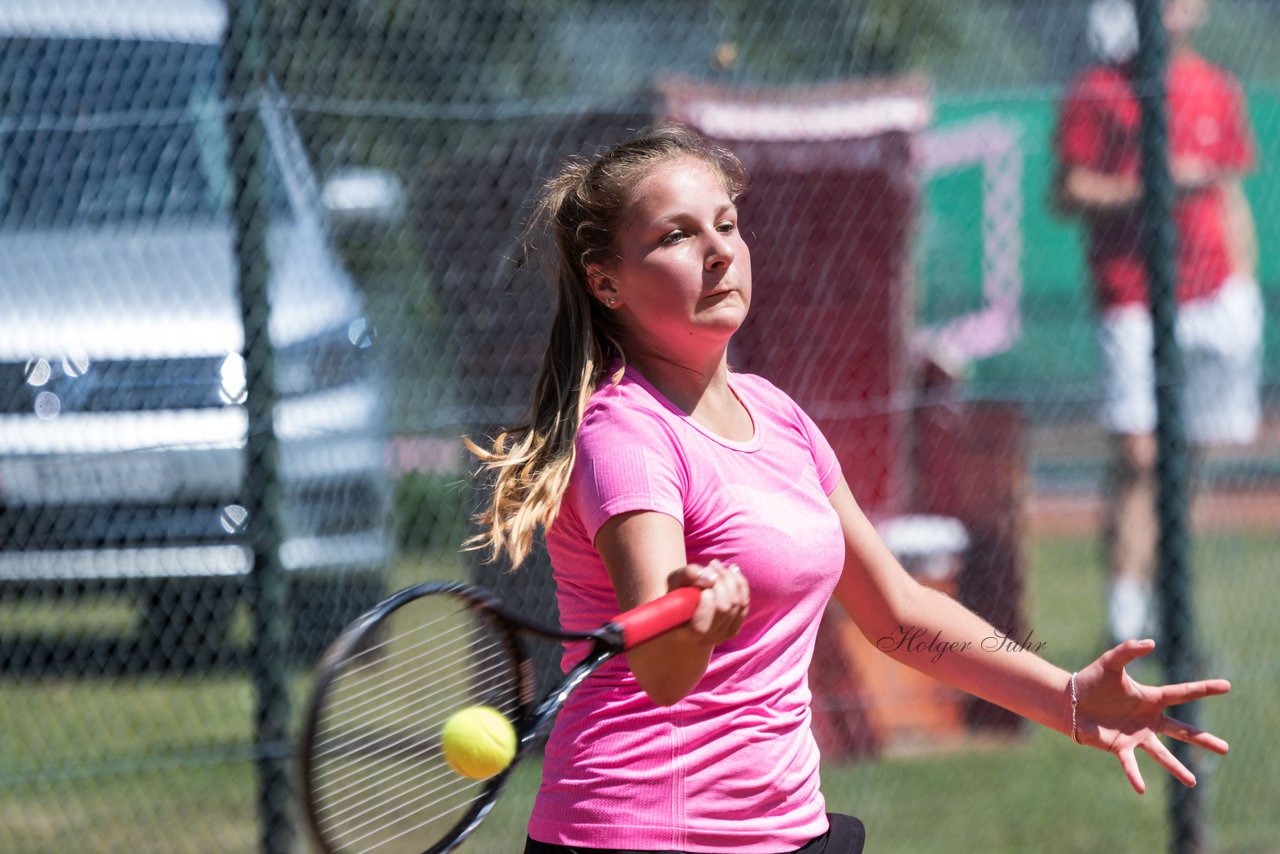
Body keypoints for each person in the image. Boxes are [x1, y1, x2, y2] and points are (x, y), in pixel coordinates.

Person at [468, 124, 1231, 854]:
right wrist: (696, 628)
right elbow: (661, 671)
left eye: (727, 226)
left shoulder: (777, 414)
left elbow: (895, 612)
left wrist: (1063, 696)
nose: (717, 254)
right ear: (606, 283)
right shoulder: (625, 435)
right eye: (676, 236)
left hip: (788, 829)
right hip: (644, 834)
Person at [1055, 0, 1262, 644]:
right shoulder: (1098, 90)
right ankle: (1124, 615)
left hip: (1211, 295)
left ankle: (1171, 603)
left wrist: (1244, 286)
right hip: (1133, 296)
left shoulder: (1216, 86)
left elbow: (1230, 195)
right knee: (1139, 456)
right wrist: (1153, 184)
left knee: (1187, 456)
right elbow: (1067, 191)